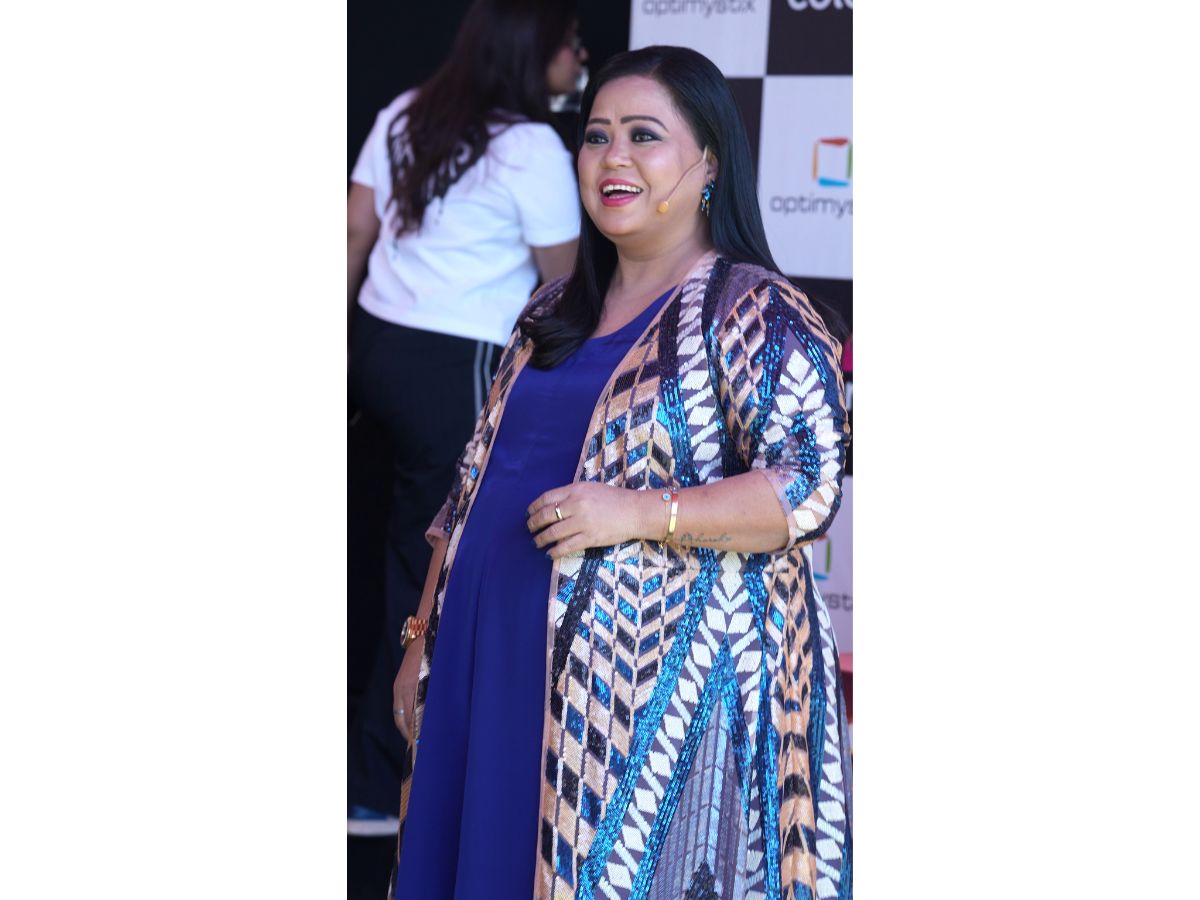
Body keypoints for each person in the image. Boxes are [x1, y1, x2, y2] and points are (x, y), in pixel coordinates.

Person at [391, 45, 852, 899]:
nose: (614, 158)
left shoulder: (752, 308)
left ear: (710, 161)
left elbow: (807, 486)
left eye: (645, 136)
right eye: (597, 136)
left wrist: (641, 514)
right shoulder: (549, 308)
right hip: (485, 656)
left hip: (624, 702)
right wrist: (421, 639)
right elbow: (470, 487)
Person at [346, 0, 587, 836]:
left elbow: (352, 234)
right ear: (535, 49)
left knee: (387, 549)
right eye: (571, 43)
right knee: (433, 566)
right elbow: (565, 288)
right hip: (459, 364)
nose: (580, 58)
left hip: (377, 347)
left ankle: (379, 772)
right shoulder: (531, 146)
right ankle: (383, 782)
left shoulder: (404, 112)